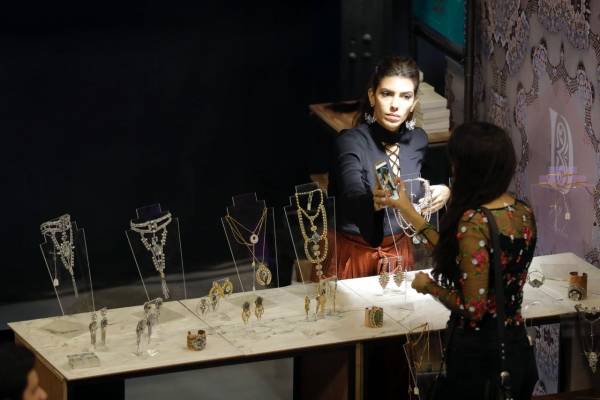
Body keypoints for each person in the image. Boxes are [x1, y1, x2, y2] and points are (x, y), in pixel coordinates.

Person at [375, 121, 538, 399]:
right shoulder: (522, 212)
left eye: (455, 163)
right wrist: (406, 209)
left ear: (469, 169)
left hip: (478, 358)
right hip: (515, 345)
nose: (452, 170)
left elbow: (473, 308)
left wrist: (428, 286)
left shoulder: (474, 221)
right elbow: (463, 255)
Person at [327, 55, 449, 279]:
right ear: (372, 96)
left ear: (414, 103)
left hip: (400, 253)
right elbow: (352, 194)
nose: (395, 105)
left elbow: (421, 188)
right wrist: (373, 201)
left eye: (405, 96)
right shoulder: (351, 142)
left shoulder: (418, 140)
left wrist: (443, 191)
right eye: (386, 93)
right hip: (356, 254)